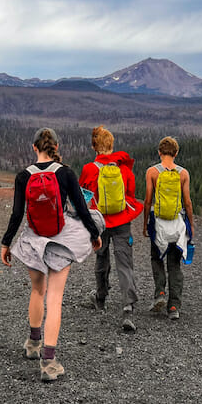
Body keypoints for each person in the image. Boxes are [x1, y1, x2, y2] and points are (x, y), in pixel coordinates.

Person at [1, 128, 104, 382]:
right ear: (56, 147)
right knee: (55, 298)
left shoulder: (23, 176)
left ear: (34, 147)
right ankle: (48, 362)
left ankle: (33, 343)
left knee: (38, 290)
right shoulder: (66, 173)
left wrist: (6, 243)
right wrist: (94, 233)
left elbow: (17, 215)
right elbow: (80, 206)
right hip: (60, 239)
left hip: (34, 239)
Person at [78, 125, 144, 331]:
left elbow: (82, 196)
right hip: (122, 220)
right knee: (124, 263)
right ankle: (127, 307)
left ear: (94, 147)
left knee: (101, 258)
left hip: (100, 221)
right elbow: (131, 194)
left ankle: (100, 297)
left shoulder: (89, 169)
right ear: (111, 145)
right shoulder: (124, 168)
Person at [142, 136, 194, 320]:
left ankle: (160, 293)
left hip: (158, 222)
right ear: (176, 153)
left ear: (159, 152)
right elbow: (187, 203)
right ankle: (174, 307)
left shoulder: (152, 172)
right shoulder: (183, 173)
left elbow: (148, 201)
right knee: (174, 264)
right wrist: (191, 227)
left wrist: (145, 224)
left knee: (156, 258)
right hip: (178, 223)